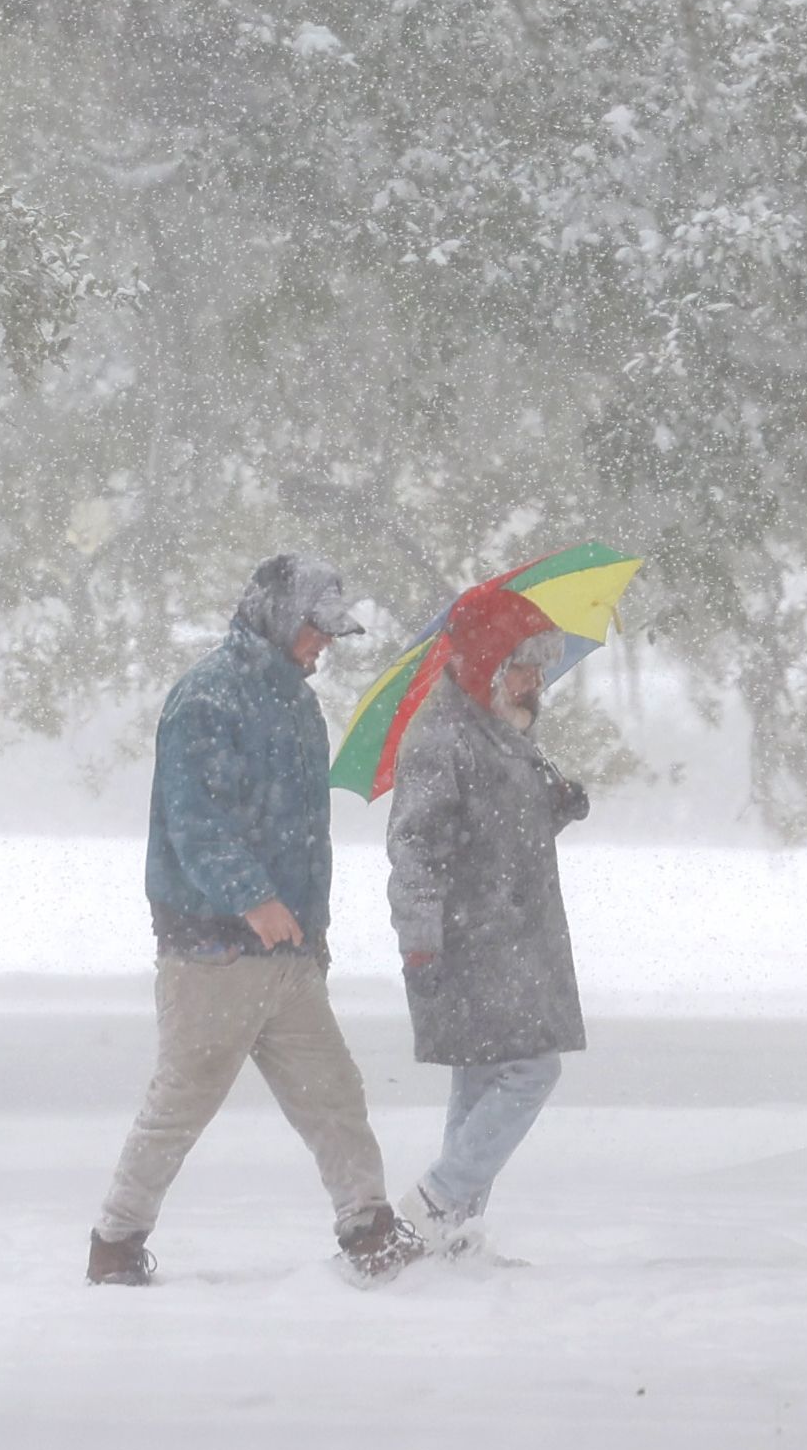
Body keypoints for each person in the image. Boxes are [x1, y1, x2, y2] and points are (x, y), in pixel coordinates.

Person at [86, 552, 422, 1288]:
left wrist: (310, 930)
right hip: (212, 950)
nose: (323, 645)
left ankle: (369, 1230)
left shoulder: (296, 704)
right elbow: (194, 820)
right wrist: (252, 898)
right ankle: (115, 1242)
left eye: (330, 634)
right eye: (315, 628)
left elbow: (304, 835)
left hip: (289, 954)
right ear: (277, 616)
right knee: (181, 1103)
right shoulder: (206, 698)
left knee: (334, 1093)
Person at [384, 578, 589, 1262]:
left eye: (542, 663)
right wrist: (420, 939)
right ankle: (437, 1199)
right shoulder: (442, 739)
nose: (539, 679)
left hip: (511, 937)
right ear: (490, 665)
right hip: (471, 942)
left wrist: (555, 803)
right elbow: (415, 847)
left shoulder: (501, 729)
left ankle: (451, 1233)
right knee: (533, 1071)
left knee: (479, 1079)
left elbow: (500, 827)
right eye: (526, 663)